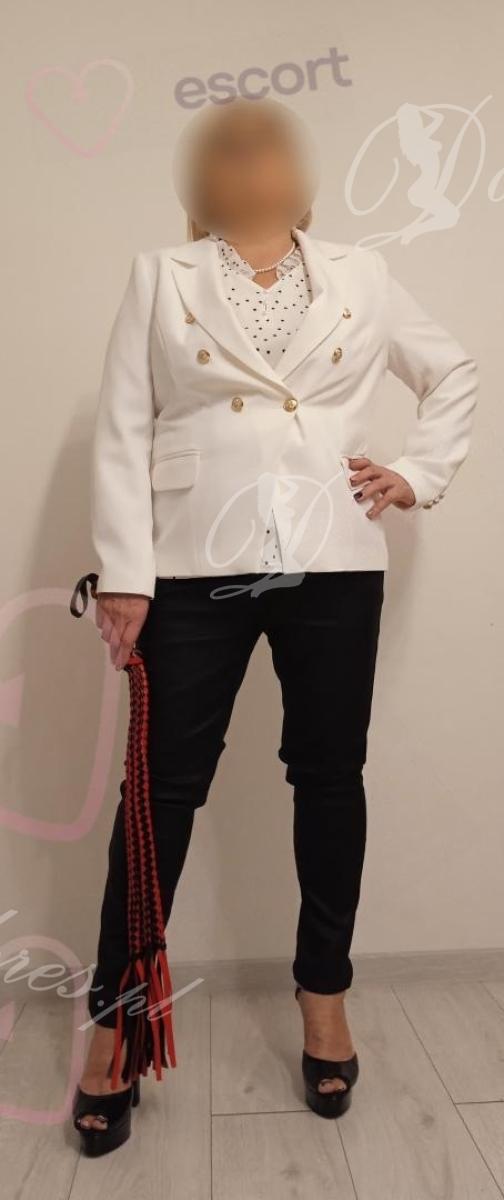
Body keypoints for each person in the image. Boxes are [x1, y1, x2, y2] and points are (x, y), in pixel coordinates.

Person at [71, 95, 479, 1151]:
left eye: (269, 152)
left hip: (331, 559)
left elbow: (453, 370)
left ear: (299, 174)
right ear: (202, 176)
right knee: (160, 792)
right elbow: (122, 427)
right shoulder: (161, 275)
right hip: (191, 563)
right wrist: (125, 573)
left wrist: (418, 471)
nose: (252, 168)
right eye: (231, 153)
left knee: (329, 776)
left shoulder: (361, 274)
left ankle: (324, 995)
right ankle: (118, 1021)